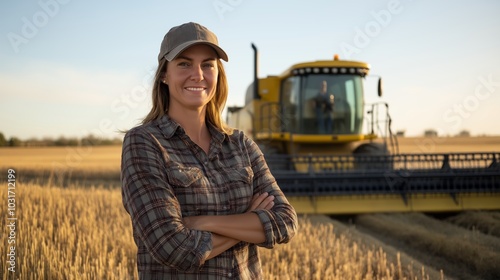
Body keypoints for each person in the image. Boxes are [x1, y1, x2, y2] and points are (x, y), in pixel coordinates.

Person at [121, 22, 298, 279]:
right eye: (184, 63)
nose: (198, 74)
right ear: (164, 75)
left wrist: (200, 223)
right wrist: (248, 219)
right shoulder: (144, 142)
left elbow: (285, 222)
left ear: (218, 74)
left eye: (208, 64)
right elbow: (174, 247)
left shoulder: (241, 144)